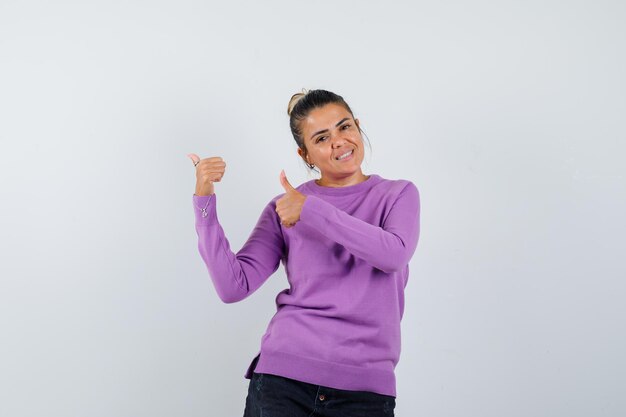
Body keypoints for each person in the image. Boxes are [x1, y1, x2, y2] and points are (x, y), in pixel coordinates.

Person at [187, 89, 420, 417]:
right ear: (305, 154)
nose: (339, 141)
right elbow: (233, 286)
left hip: (365, 391)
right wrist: (204, 201)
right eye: (322, 137)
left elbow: (393, 254)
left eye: (344, 127)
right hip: (284, 382)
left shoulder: (398, 195)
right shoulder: (284, 209)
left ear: (358, 126)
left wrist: (312, 211)